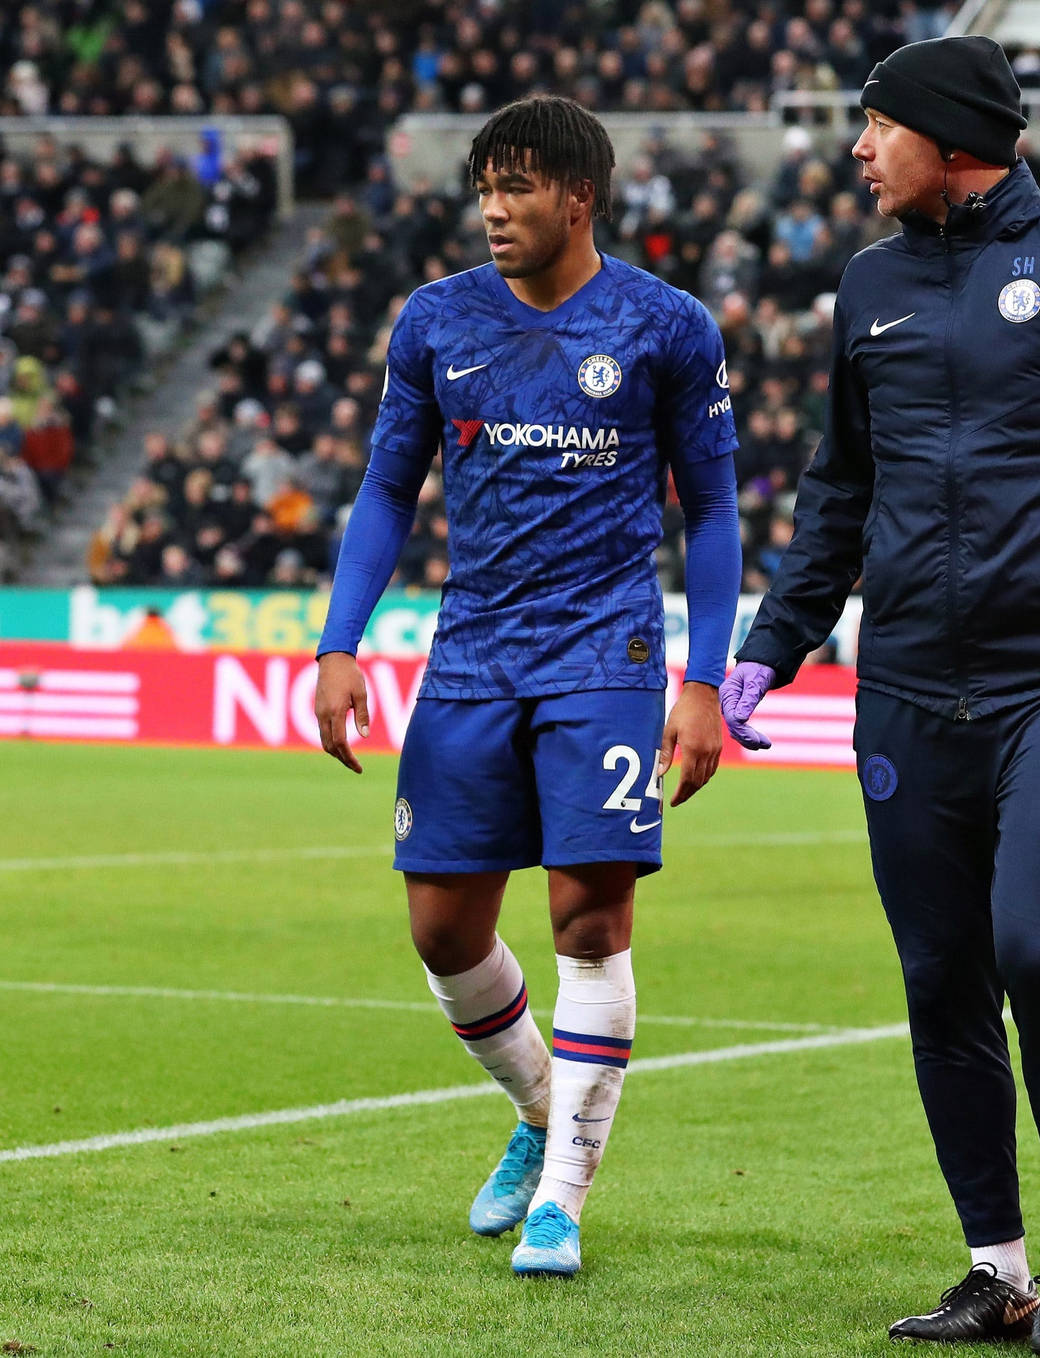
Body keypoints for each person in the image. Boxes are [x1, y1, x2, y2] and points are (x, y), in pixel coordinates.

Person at [716, 36, 1040, 1354]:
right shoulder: (869, 284)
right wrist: (769, 645)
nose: (856, 149)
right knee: (940, 972)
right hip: (904, 685)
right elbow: (839, 492)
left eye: (876, 125)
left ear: (951, 136)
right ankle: (993, 1266)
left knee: (1037, 948)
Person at [310, 95, 741, 1279]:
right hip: (472, 654)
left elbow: (710, 510)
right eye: (484, 189)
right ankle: (544, 1107)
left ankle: (561, 1198)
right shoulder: (437, 319)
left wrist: (706, 679)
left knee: (586, 920)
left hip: (606, 655)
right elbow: (388, 489)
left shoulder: (666, 325)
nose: (495, 210)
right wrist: (339, 641)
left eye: (519, 188)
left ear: (579, 195)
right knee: (443, 927)